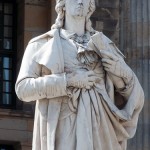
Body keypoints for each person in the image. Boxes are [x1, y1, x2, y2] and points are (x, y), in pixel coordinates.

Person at [15, 0, 144, 150]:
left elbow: (135, 97)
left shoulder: (105, 45)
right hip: (64, 128)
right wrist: (68, 80)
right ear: (62, 4)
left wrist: (124, 73)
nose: (80, 1)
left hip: (102, 131)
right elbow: (23, 89)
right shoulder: (41, 44)